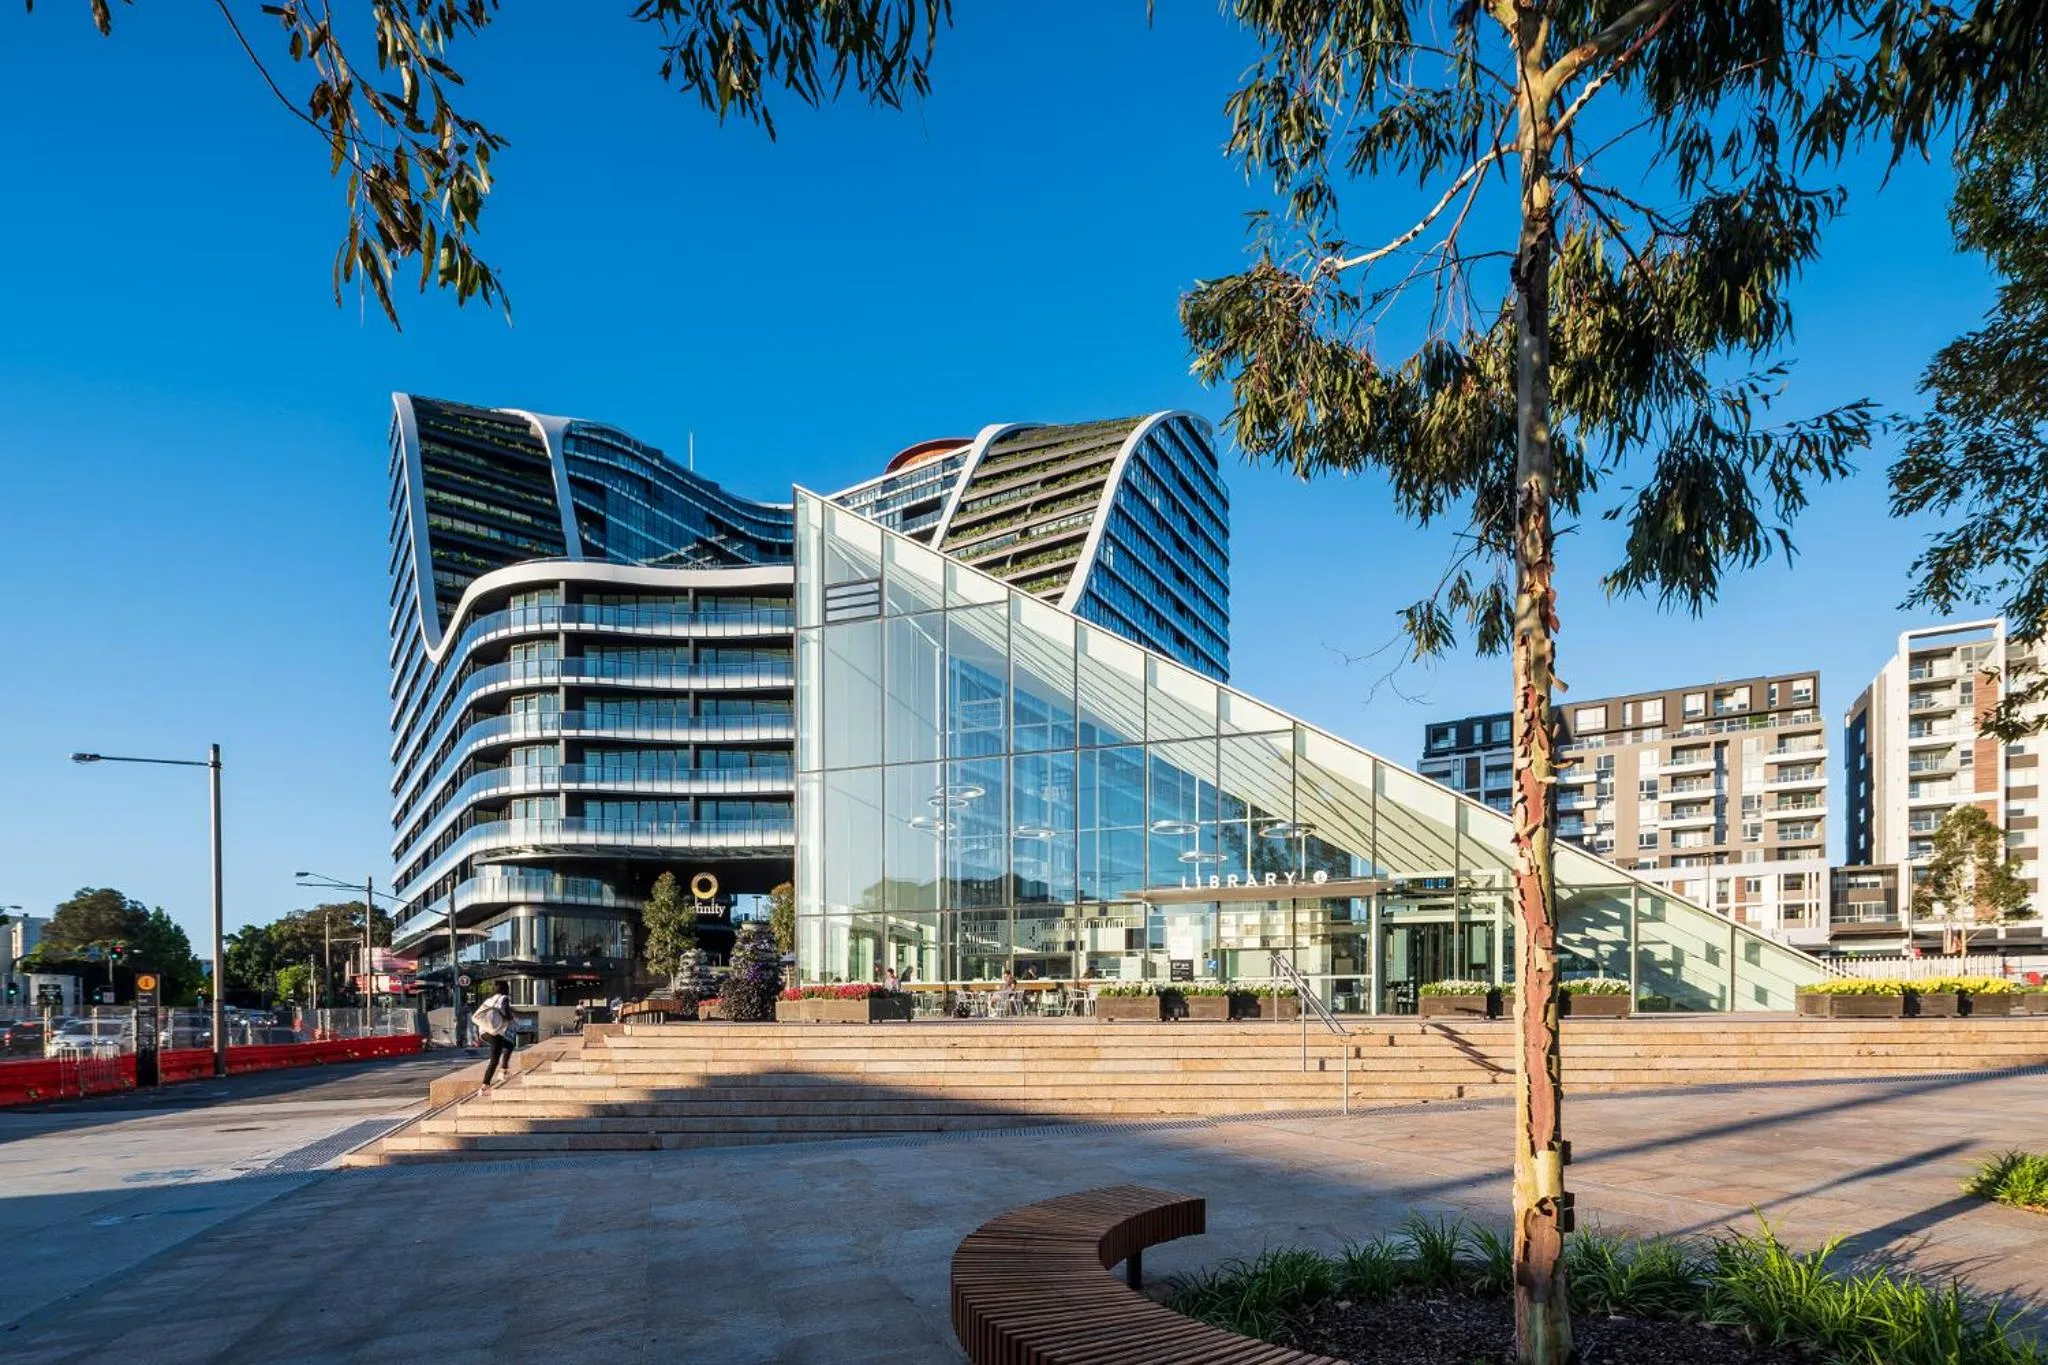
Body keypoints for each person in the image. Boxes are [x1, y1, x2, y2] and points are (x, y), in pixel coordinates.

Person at [471, 985, 516, 1090]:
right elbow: (506, 1012)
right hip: (494, 1032)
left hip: (483, 1032)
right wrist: (511, 1018)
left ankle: (503, 1070)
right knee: (494, 1060)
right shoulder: (503, 999)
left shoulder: (490, 1000)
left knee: (509, 1045)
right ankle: (485, 1086)